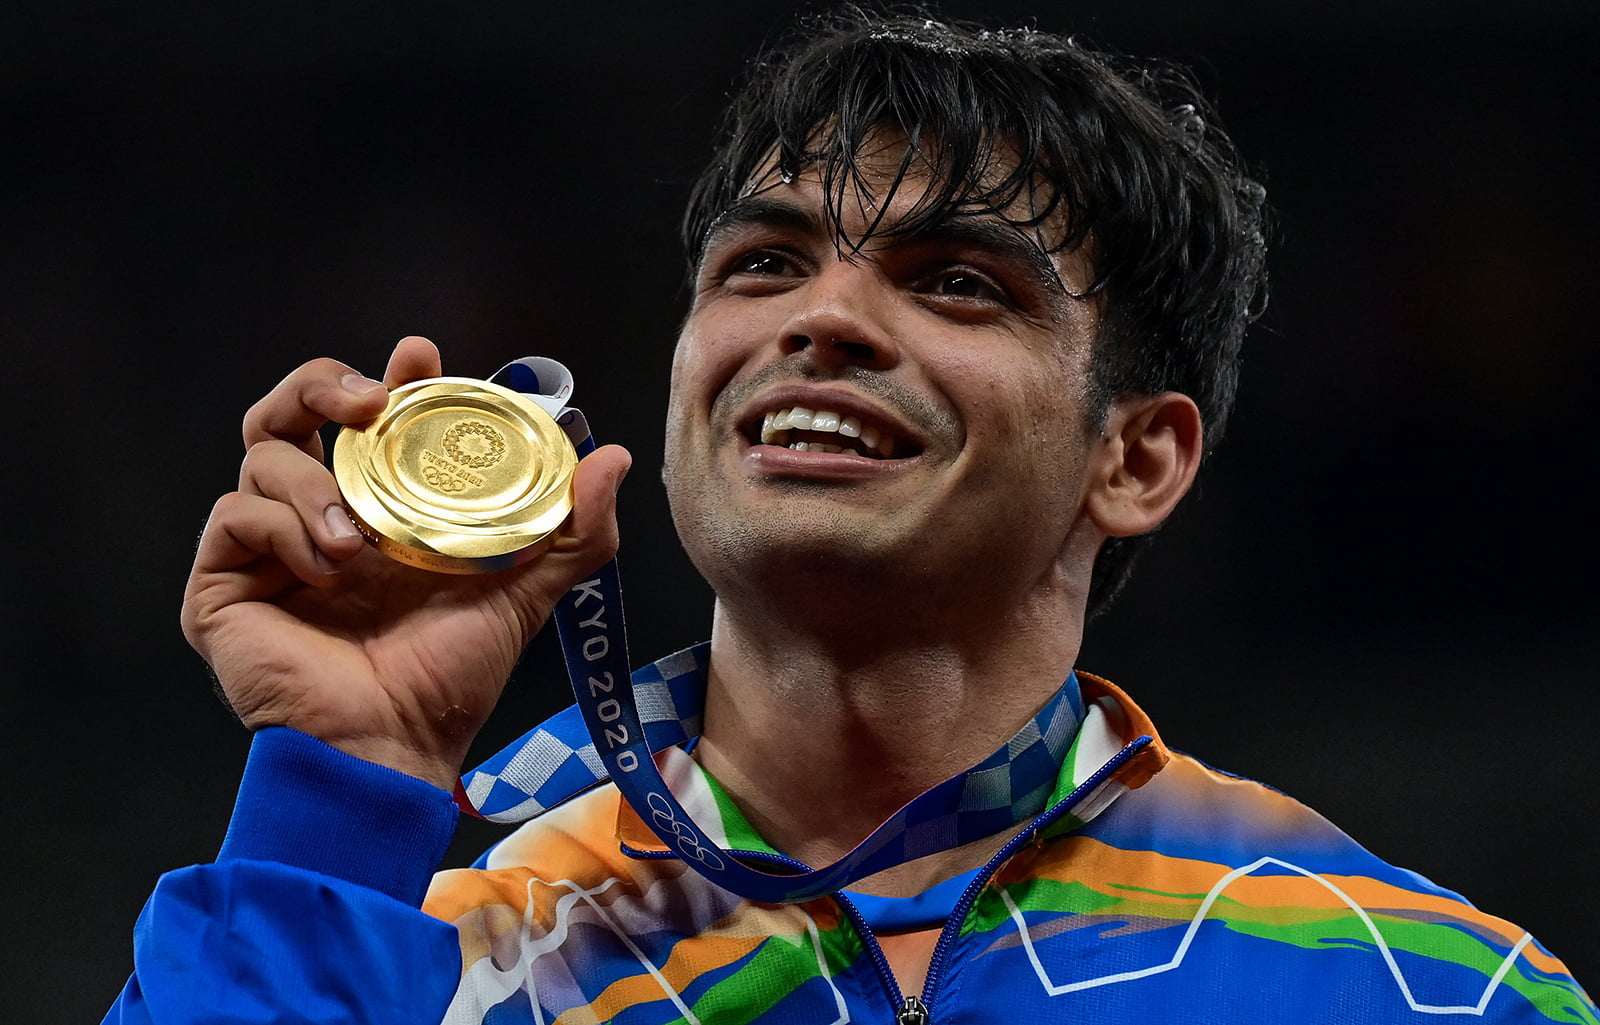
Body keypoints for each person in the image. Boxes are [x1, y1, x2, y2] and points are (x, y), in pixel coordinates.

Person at [105, 11, 1593, 1025]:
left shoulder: (1408, 984)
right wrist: (342, 781)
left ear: (1137, 458)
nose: (820, 317)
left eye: (957, 281)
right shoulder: (424, 938)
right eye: (761, 264)